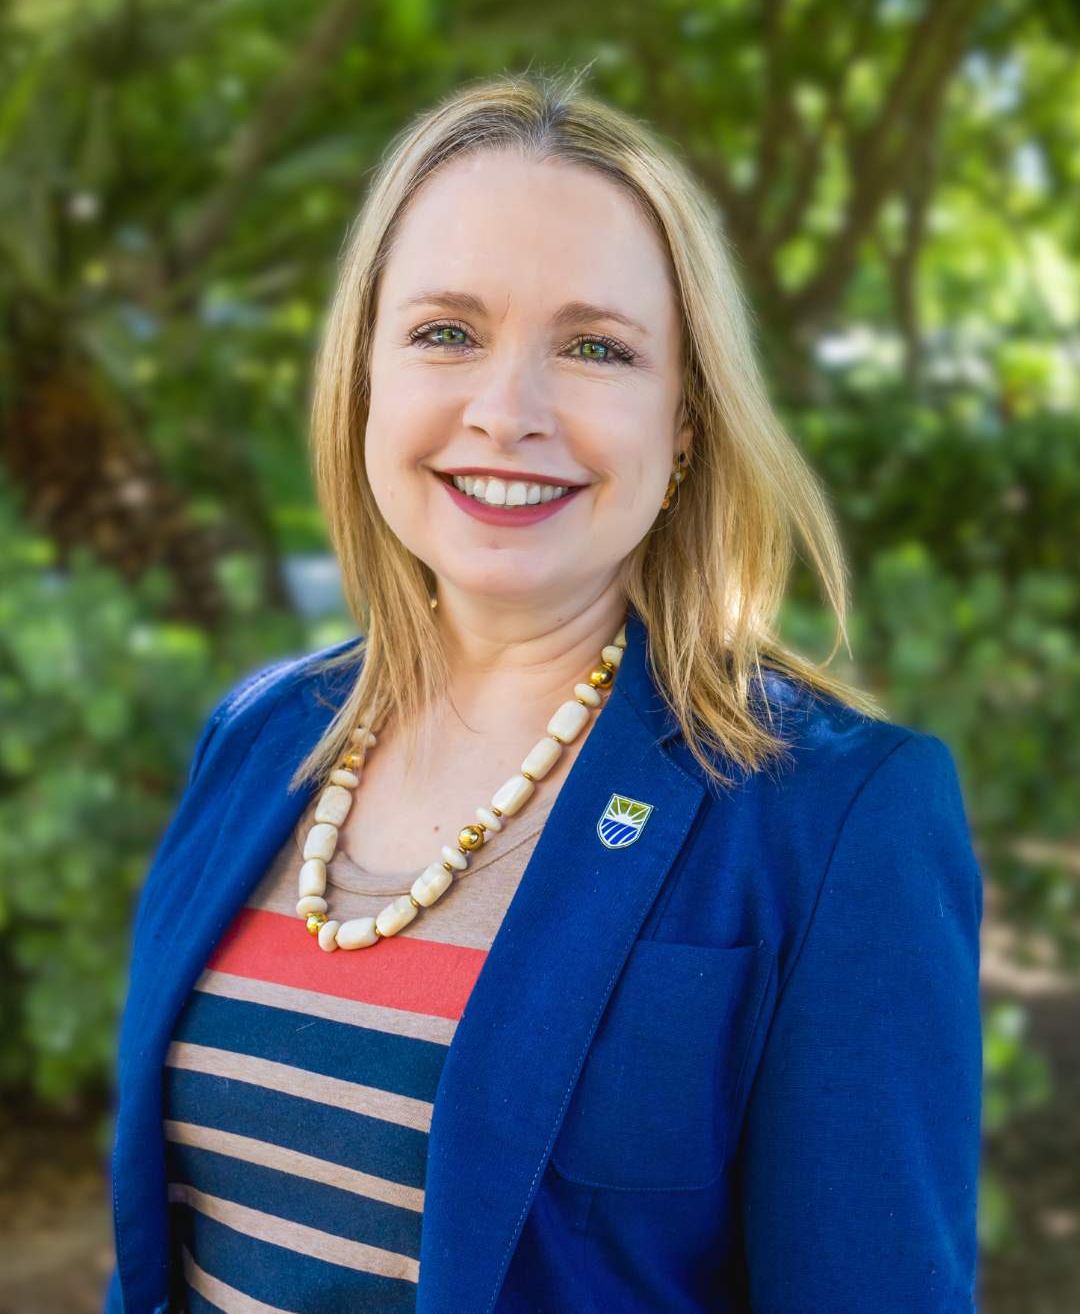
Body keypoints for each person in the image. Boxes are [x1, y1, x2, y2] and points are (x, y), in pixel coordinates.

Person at [103, 69, 984, 1314]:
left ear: (685, 424)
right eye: (445, 333)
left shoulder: (832, 818)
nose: (505, 411)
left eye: (595, 348)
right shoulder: (257, 739)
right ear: (367, 378)